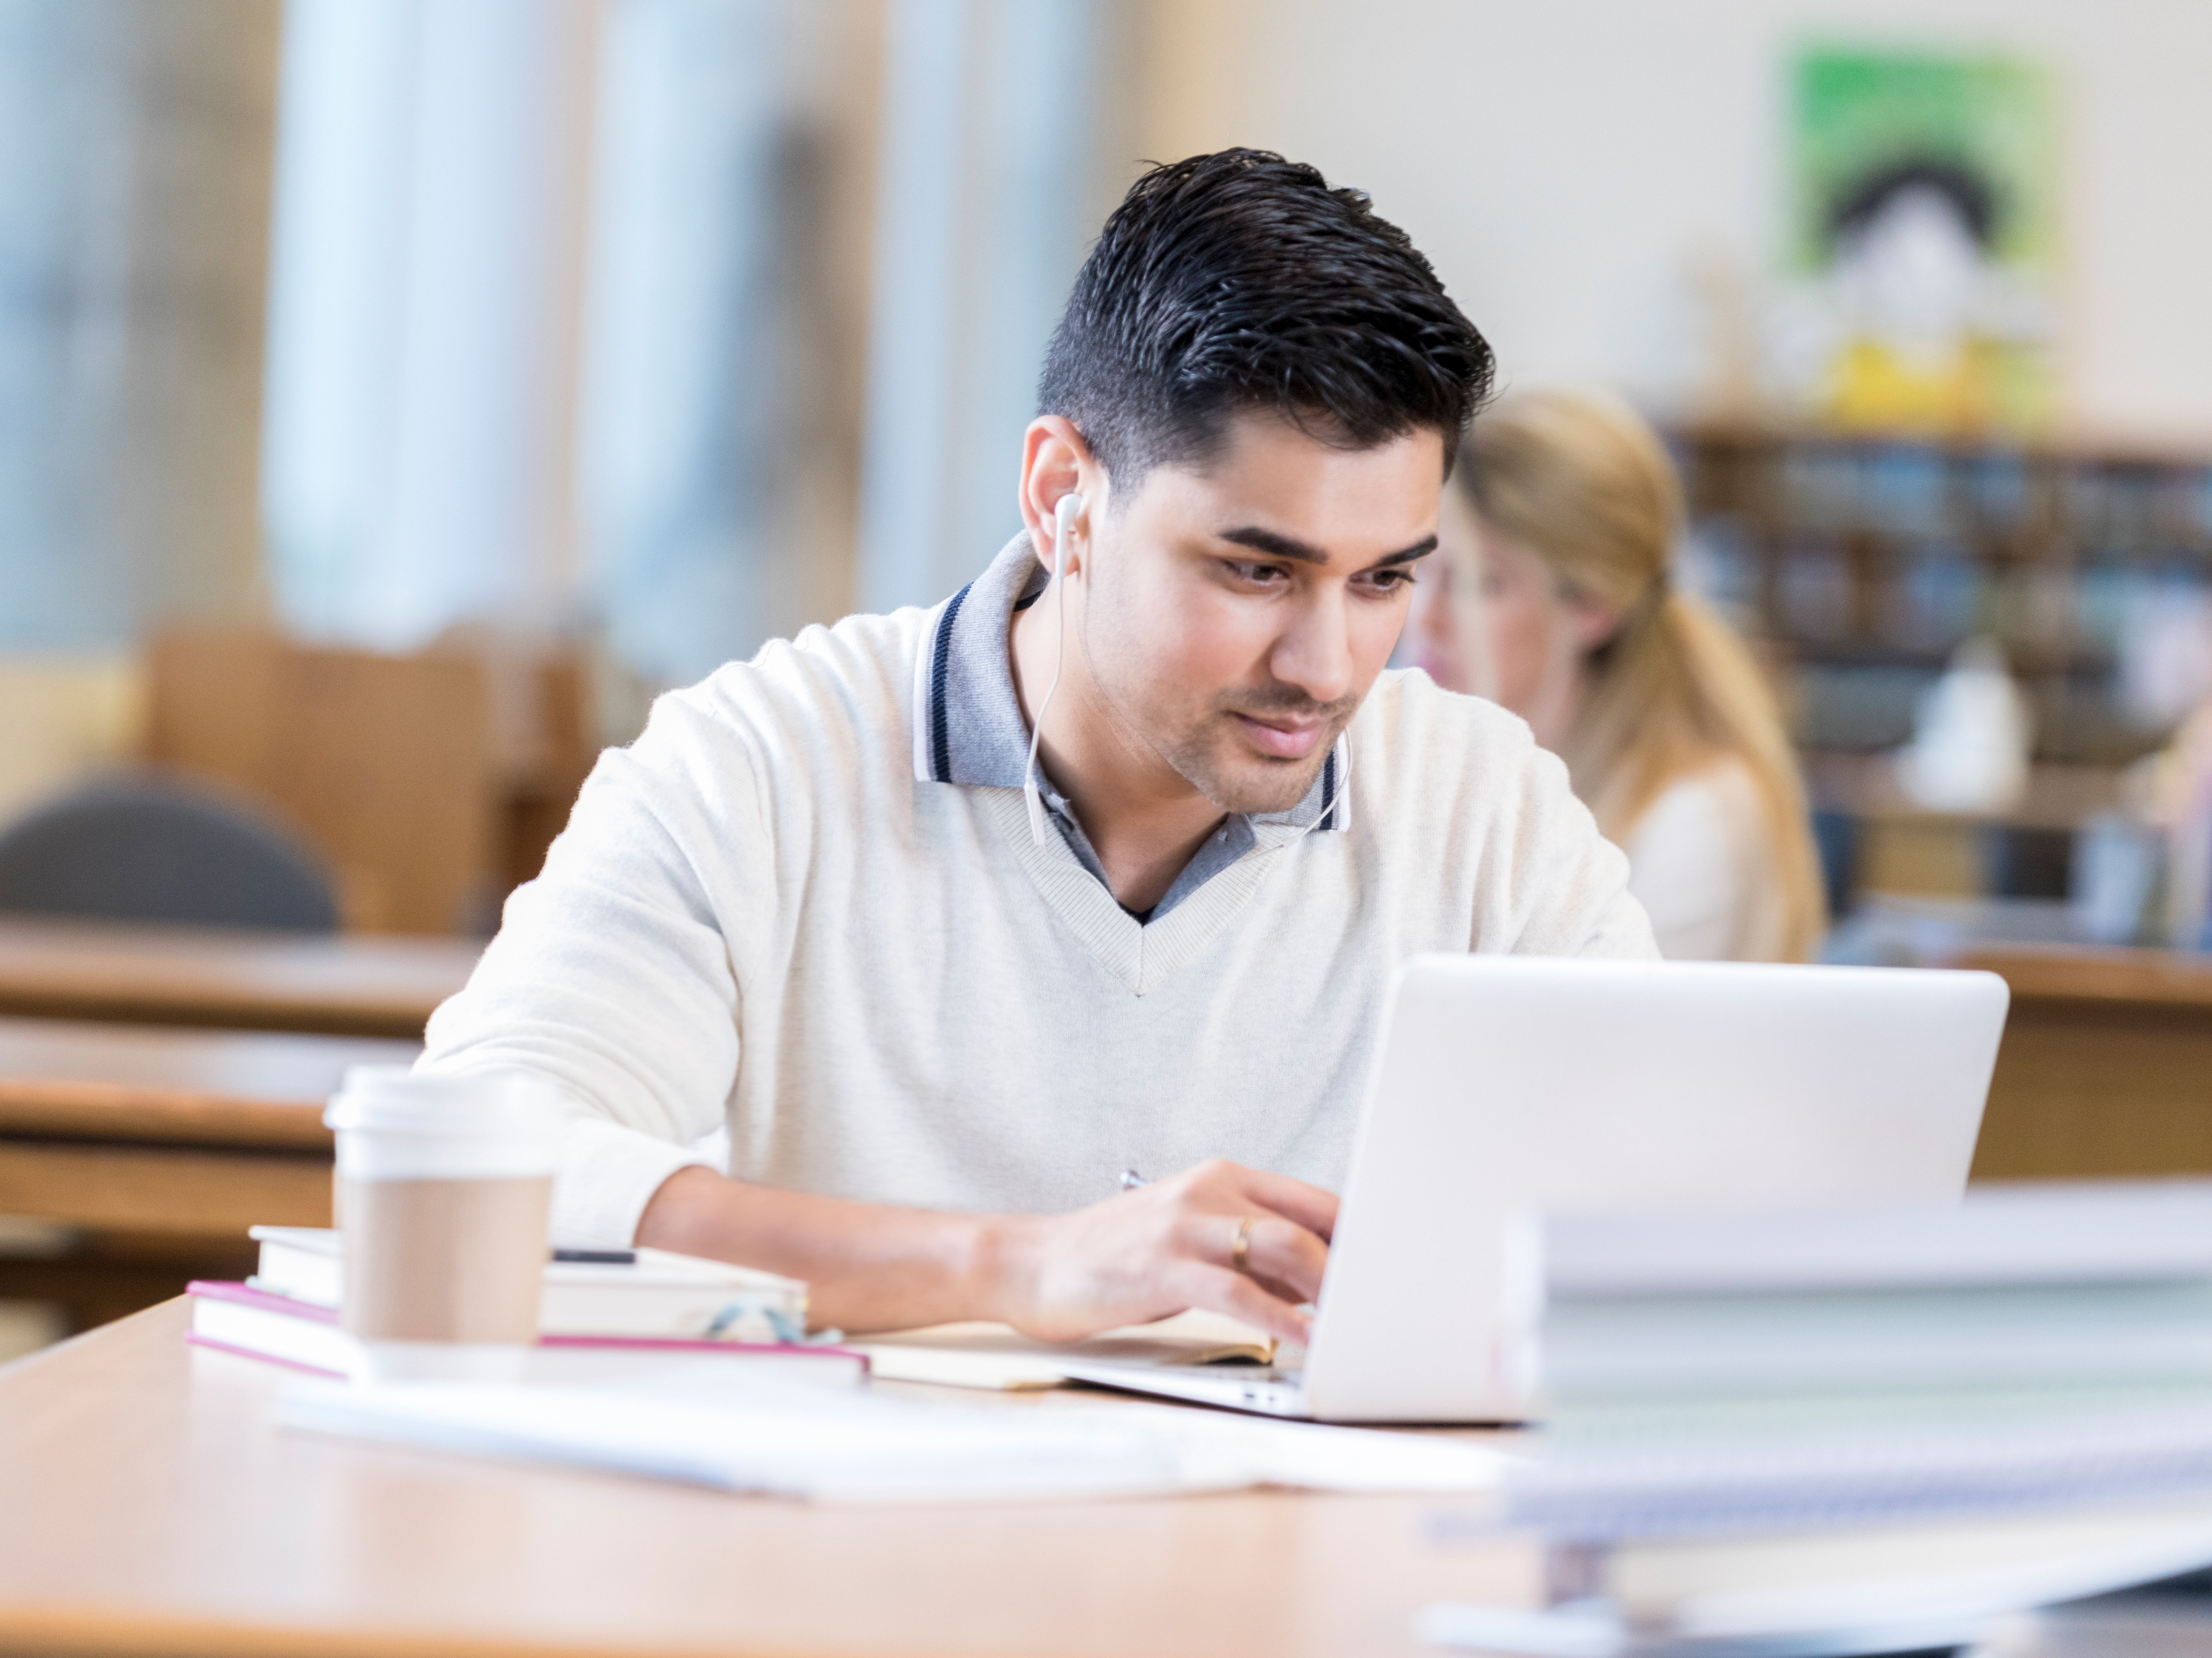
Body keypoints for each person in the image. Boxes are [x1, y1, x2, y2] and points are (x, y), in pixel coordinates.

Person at [421, 151, 1657, 1347]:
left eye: (1384, 579)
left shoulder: (1486, 813)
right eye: (1256, 570)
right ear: (1063, 492)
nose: (1330, 668)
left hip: (1304, 1549)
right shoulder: (761, 764)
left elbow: (1674, 1207)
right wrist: (1013, 1264)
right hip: (851, 1545)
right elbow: (466, 1163)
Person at [1413, 389, 1825, 962]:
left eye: (1480, 584)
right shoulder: (1453, 773)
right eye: (1412, 571)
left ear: (1590, 605)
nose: (1425, 619)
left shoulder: (1691, 818)